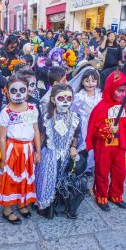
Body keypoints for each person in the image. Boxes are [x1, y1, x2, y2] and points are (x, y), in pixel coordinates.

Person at [0, 75, 41, 224]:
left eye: (22, 90)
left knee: (25, 176)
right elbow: (2, 137)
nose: (18, 94)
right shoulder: (5, 113)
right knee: (10, 179)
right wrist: (3, 158)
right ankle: (7, 209)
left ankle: (22, 203)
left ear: (27, 91)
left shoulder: (32, 108)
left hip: (28, 150)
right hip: (13, 150)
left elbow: (36, 130)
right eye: (14, 91)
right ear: (7, 92)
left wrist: (38, 151)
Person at [86, 70, 126, 212]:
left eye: (125, 91)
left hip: (118, 147)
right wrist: (107, 130)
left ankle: (116, 195)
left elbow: (124, 126)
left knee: (120, 172)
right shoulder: (100, 107)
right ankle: (101, 195)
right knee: (102, 171)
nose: (122, 94)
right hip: (104, 146)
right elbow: (93, 128)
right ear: (111, 88)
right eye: (119, 91)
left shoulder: (122, 106)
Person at [35, 84, 83, 219]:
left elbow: (76, 135)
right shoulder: (47, 117)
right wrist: (37, 152)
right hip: (49, 153)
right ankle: (45, 207)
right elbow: (41, 135)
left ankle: (59, 203)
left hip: (65, 154)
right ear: (53, 100)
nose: (65, 102)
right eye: (61, 98)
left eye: (69, 98)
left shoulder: (75, 117)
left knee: (62, 179)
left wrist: (73, 147)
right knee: (47, 180)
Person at [71, 68, 102, 172]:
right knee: (83, 145)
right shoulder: (79, 97)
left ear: (97, 81)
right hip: (84, 126)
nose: (90, 84)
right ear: (82, 81)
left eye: (93, 81)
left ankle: (91, 166)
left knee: (95, 147)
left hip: (97, 125)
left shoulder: (100, 96)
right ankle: (81, 166)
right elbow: (74, 112)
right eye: (87, 81)